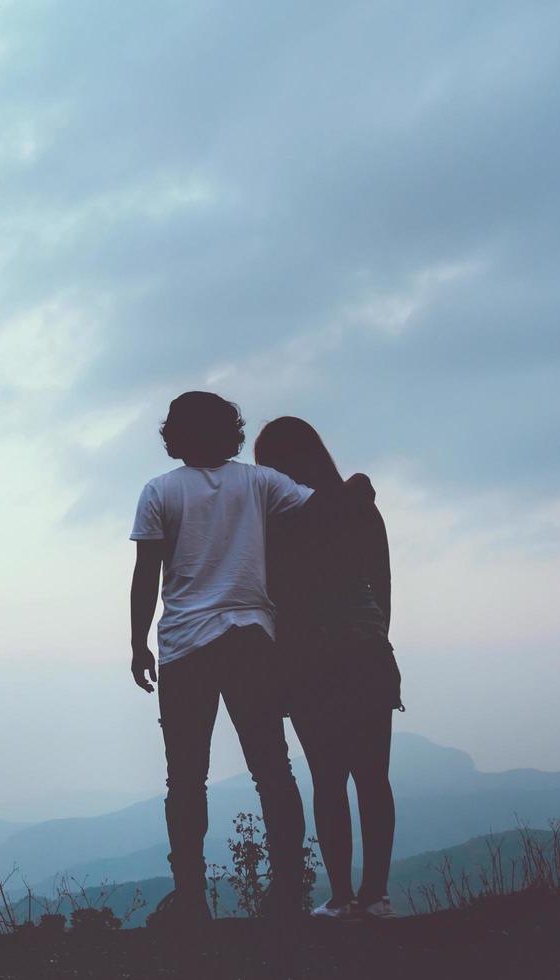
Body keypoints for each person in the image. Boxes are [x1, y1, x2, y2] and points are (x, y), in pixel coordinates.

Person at [130, 392, 372, 927]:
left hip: (184, 645)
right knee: (272, 770)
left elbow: (146, 574)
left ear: (175, 435)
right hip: (250, 640)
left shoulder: (159, 492)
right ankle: (286, 892)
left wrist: (137, 644)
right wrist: (357, 487)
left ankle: (191, 898)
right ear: (230, 432)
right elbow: (322, 507)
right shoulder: (258, 483)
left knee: (186, 778)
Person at [255, 416, 401, 921]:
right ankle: (376, 896)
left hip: (306, 659)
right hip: (365, 650)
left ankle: (340, 899)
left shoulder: (275, 520)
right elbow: (381, 587)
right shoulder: (359, 506)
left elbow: (272, 596)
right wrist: (374, 637)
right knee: (373, 778)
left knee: (328, 779)